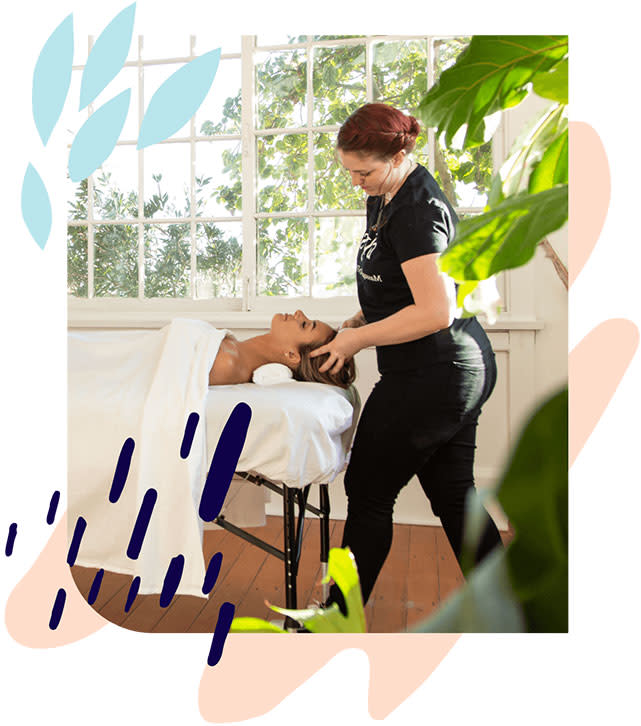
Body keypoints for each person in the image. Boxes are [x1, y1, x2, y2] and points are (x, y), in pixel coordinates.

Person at [310, 103, 502, 610]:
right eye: (349, 171)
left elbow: (435, 311)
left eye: (364, 172)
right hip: (447, 366)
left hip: (437, 369)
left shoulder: (417, 207)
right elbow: (400, 282)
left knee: (369, 491)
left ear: (398, 155)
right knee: (455, 498)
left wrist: (357, 340)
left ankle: (335, 619)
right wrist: (362, 315)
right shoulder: (386, 192)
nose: (356, 183)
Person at [209, 310, 355, 388]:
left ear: (292, 355)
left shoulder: (226, 363)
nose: (299, 312)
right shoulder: (229, 349)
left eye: (304, 325)